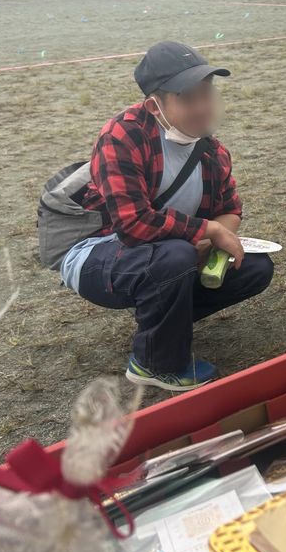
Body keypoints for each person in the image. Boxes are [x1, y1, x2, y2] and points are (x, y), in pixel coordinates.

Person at [59, 42, 274, 391]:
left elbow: (230, 208)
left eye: (206, 93)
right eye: (187, 98)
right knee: (176, 256)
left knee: (253, 267)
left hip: (164, 251)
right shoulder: (123, 136)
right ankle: (155, 364)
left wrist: (215, 236)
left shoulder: (211, 150)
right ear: (154, 106)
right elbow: (132, 225)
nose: (202, 107)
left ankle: (158, 318)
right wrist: (207, 231)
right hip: (96, 252)